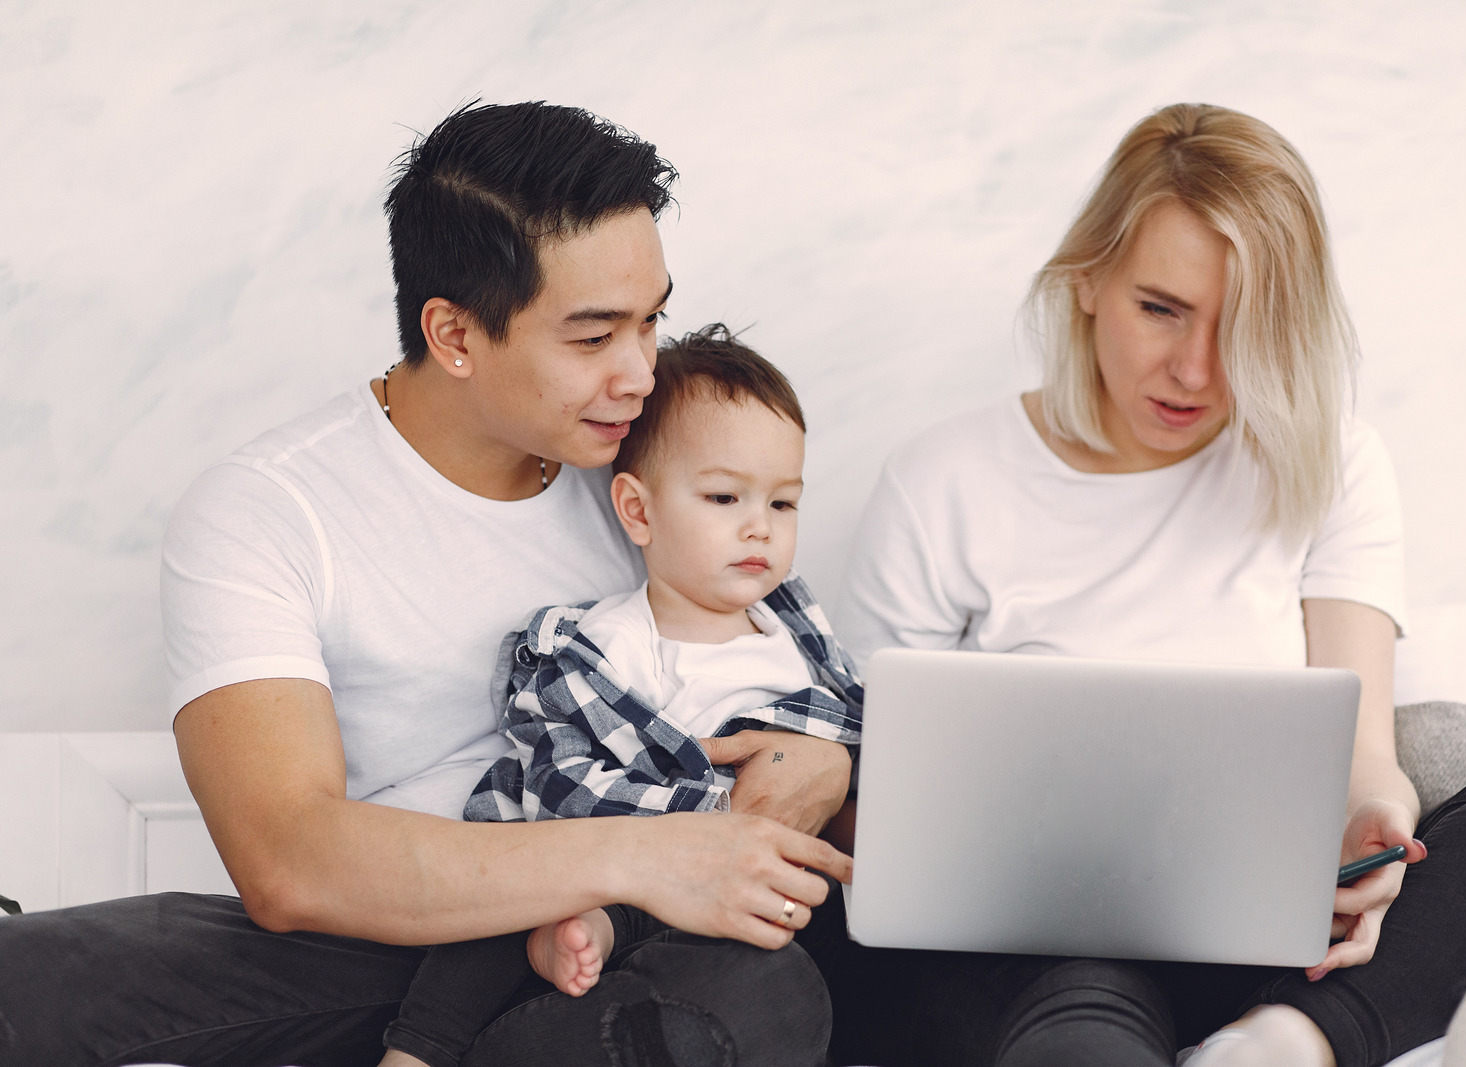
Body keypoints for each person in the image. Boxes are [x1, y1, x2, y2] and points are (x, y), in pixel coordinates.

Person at [0, 102, 853, 1067]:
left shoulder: (662, 468)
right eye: (592, 338)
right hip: (378, 935)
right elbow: (289, 858)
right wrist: (643, 853)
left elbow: (791, 684)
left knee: (754, 993)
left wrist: (828, 760)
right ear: (452, 333)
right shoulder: (267, 508)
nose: (639, 372)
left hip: (630, 944)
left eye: (652, 320)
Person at [826, 103, 1466, 1067]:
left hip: (1262, 946)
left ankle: (1284, 1041)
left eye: (1244, 326)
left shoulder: (1334, 462)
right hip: (1033, 954)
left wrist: (1377, 829)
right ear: (1086, 280)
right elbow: (861, 785)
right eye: (1161, 308)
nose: (1195, 370)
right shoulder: (941, 478)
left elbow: (1366, 753)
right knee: (1069, 991)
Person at [379, 326, 865, 1067]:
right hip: (642, 872)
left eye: (784, 502)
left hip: (779, 890)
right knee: (522, 886)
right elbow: (565, 788)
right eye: (725, 495)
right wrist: (712, 819)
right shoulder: (610, 646)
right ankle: (421, 1046)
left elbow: (854, 717)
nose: (758, 525)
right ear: (638, 511)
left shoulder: (794, 625)